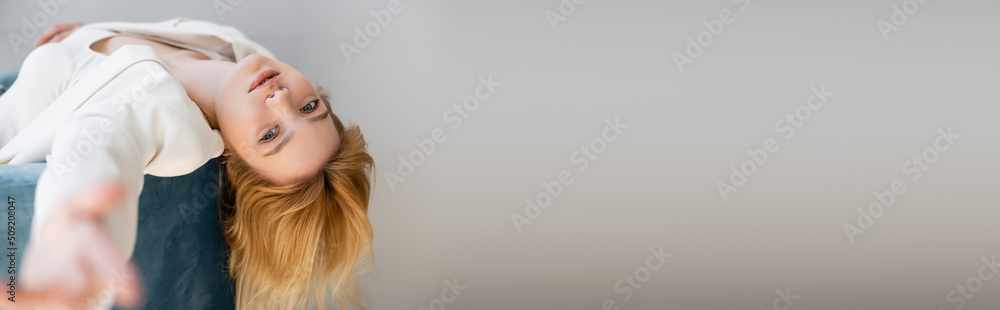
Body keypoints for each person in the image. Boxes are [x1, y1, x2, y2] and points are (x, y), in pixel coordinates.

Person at [0, 18, 374, 309]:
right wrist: (85, 38)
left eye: (270, 135)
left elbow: (101, 148)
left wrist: (75, 227)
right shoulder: (239, 51)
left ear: (232, 156)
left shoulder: (171, 123)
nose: (280, 98)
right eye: (310, 107)